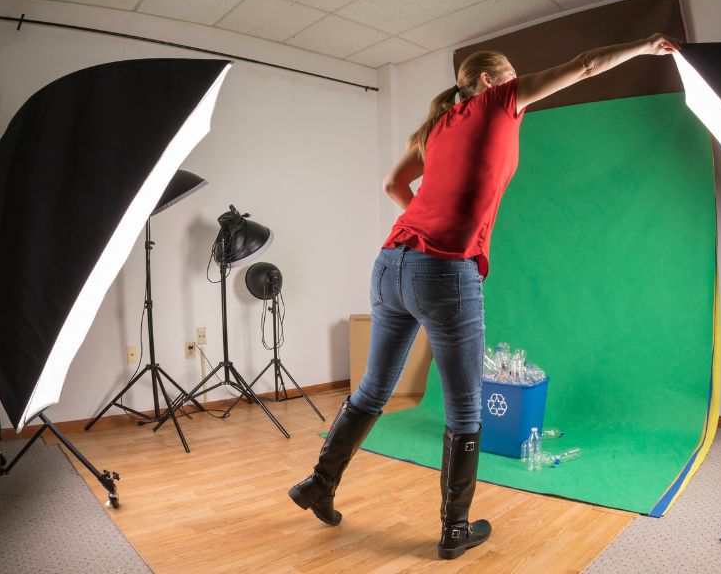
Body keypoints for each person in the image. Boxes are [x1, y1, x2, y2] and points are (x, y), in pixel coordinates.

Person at [289, 33, 680, 560]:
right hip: (445, 272)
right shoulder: (499, 102)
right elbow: (585, 63)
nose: (519, 83)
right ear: (492, 81)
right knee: (466, 406)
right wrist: (643, 47)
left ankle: (319, 483)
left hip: (390, 264)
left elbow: (392, 185)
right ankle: (455, 529)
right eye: (512, 75)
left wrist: (424, 214)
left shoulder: (436, 126)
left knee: (374, 390)